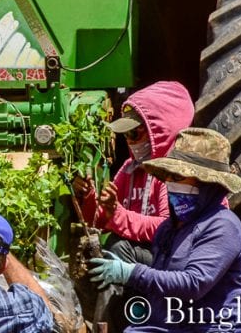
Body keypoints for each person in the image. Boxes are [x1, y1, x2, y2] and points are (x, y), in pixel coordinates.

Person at [88, 128, 241, 332]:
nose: (171, 184)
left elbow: (193, 284)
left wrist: (130, 273)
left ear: (207, 183)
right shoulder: (169, 228)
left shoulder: (223, 226)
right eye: (169, 177)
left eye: (179, 177)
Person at [72, 81, 193, 328]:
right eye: (125, 135)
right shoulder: (129, 169)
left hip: (171, 258)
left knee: (118, 248)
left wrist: (118, 214)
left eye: (135, 133)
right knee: (92, 256)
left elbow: (166, 227)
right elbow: (103, 220)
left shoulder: (171, 173)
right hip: (142, 256)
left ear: (157, 131)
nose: (129, 141)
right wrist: (90, 197)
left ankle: (109, 325)